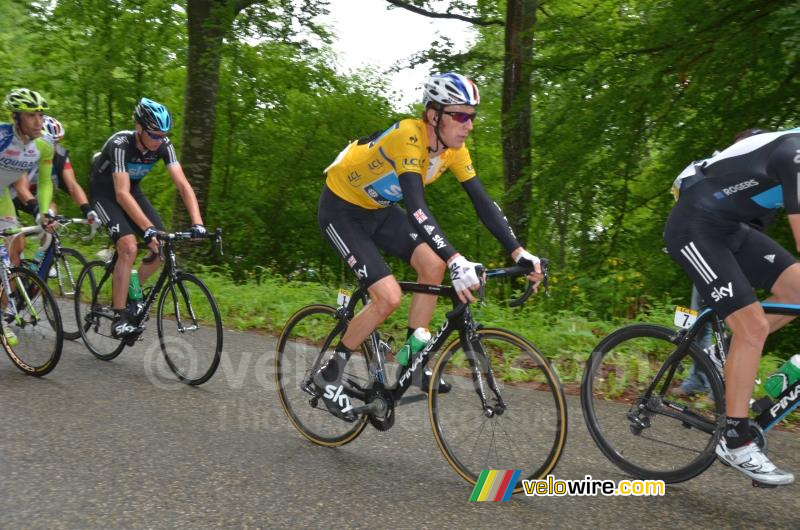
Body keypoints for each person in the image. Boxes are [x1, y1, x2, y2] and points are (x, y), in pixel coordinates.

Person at [315, 72, 543, 421]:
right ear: (433, 115)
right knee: (388, 297)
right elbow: (418, 206)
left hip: (379, 211)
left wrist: (518, 251)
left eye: (472, 116)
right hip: (342, 209)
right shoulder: (409, 135)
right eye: (460, 115)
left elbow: (482, 202)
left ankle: (411, 361)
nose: (468, 125)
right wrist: (456, 258)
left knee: (433, 267)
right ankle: (328, 376)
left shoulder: (454, 151)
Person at [664, 126, 800, 486]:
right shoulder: (795, 154)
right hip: (694, 227)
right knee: (752, 326)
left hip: (731, 228)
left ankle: (732, 349)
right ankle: (735, 439)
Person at [89, 97, 206, 338]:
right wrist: (148, 228)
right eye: (154, 135)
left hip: (131, 191)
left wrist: (198, 223)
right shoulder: (120, 143)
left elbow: (184, 186)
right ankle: (119, 316)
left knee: (162, 246)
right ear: (139, 128)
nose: (159, 140)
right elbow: (120, 194)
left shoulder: (164, 145)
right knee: (129, 246)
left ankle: (133, 294)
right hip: (105, 192)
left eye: (163, 135)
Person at [0, 88, 55, 345]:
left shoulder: (44, 145)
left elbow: (44, 183)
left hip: (1, 198)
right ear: (16, 117)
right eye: (31, 115)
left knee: (12, 253)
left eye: (40, 115)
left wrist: (42, 212)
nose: (38, 121)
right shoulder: (2, 137)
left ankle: (2, 317)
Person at [12, 115, 99, 225]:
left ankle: (50, 240)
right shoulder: (21, 152)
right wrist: (36, 210)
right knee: (14, 233)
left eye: (55, 142)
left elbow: (72, 186)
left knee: (50, 212)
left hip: (33, 195)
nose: (52, 146)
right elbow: (21, 189)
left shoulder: (59, 155)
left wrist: (88, 210)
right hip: (9, 193)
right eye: (48, 141)